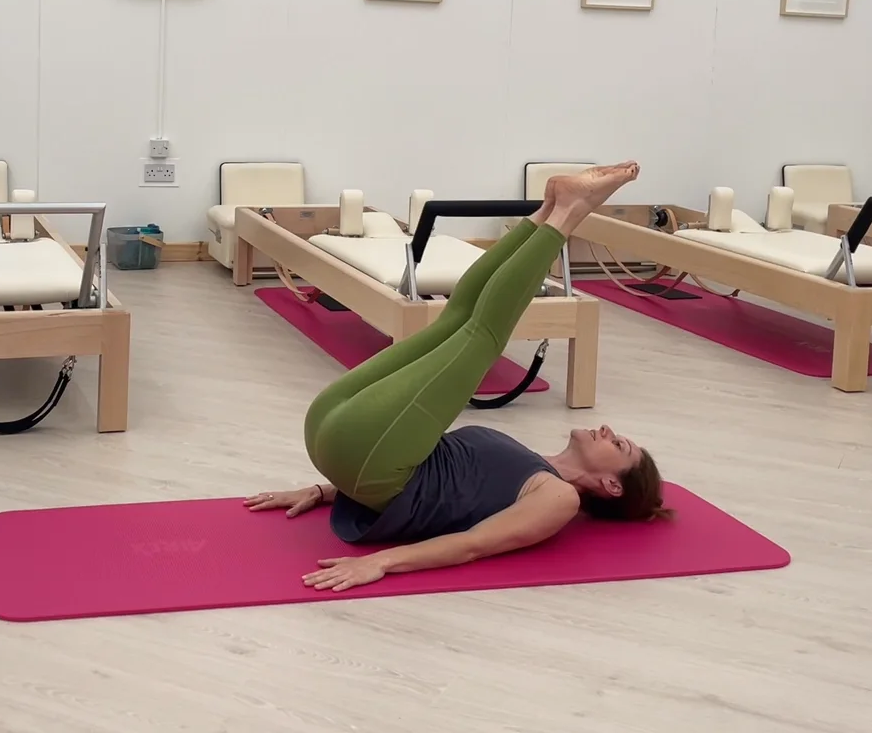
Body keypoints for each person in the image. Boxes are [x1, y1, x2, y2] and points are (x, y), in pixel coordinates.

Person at [245, 162, 671, 592]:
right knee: (458, 317)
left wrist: (382, 562)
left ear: (612, 485)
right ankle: (550, 208)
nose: (607, 430)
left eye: (618, 445)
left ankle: (569, 211)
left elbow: (473, 544)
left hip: (365, 456)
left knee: (484, 335)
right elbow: (438, 480)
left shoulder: (559, 498)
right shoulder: (535, 463)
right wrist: (323, 491)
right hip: (342, 439)